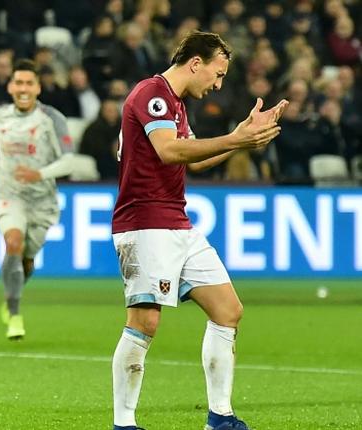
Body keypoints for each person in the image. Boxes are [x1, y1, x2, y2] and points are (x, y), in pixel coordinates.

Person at [109, 31, 287, 430]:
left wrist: (242, 138)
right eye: (217, 73)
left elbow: (192, 161)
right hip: (145, 223)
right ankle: (123, 423)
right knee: (144, 322)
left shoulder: (174, 104)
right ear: (195, 63)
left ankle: (219, 418)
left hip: (177, 222)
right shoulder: (151, 94)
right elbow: (169, 151)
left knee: (228, 310)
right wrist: (234, 138)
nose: (218, 84)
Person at [0, 59, 74, 340]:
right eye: (18, 83)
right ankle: (14, 314)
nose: (23, 89)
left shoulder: (52, 118)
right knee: (13, 241)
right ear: (11, 86)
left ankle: (12, 294)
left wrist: (40, 173)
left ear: (38, 87)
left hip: (41, 198)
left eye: (29, 83)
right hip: (7, 190)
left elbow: (69, 161)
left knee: (26, 260)